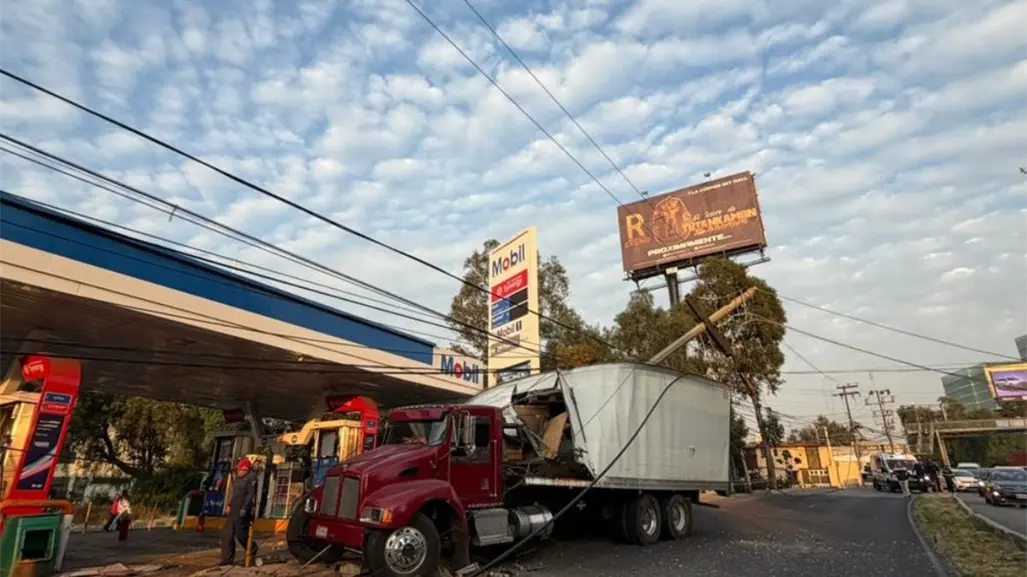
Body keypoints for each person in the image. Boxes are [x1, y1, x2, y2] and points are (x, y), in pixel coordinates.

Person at [219, 458, 258, 566]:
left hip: (243, 510)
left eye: (239, 470)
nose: (237, 472)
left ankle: (252, 549)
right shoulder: (238, 479)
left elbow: (251, 496)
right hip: (234, 509)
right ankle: (227, 558)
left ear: (245, 469)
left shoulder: (251, 478)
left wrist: (245, 508)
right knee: (227, 534)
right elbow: (236, 494)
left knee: (241, 534)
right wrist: (230, 505)